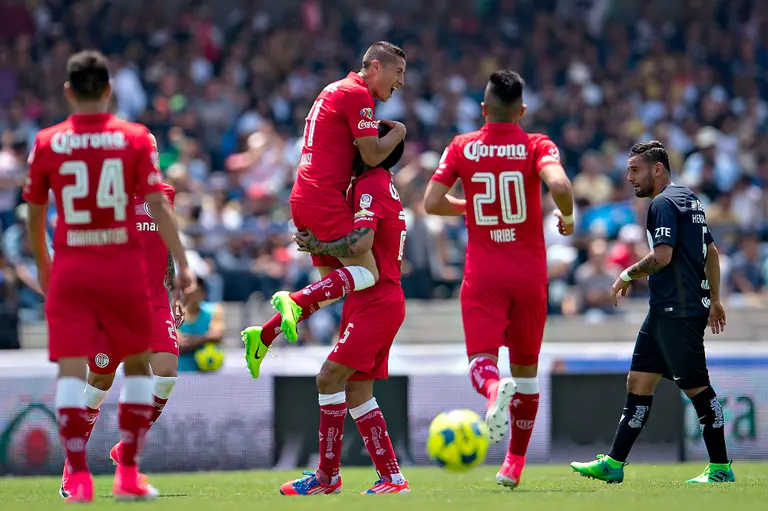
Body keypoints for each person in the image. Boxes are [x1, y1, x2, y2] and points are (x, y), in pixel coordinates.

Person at [22, 50, 194, 503]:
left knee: (83, 374)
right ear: (110, 91)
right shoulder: (129, 140)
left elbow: (34, 214)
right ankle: (103, 472)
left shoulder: (48, 142)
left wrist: (44, 268)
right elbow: (154, 205)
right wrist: (186, 266)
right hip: (115, 278)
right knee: (106, 379)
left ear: (67, 91)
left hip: (85, 275)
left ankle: (99, 472)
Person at [423, 70, 575, 488]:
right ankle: (513, 465)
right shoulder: (535, 144)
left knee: (481, 362)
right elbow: (559, 182)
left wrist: (469, 206)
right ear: (522, 110)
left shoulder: (463, 146)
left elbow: (432, 203)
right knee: (526, 376)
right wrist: (567, 213)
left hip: (484, 273)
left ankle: (492, 391)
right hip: (529, 276)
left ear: (483, 109)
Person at [571, 141, 734, 484]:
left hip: (679, 310)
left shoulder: (661, 203)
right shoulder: (689, 198)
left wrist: (626, 274)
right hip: (665, 310)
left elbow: (662, 256)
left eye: (635, 170)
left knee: (697, 389)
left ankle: (721, 468)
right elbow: (712, 252)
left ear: (657, 169)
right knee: (639, 381)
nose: (629, 178)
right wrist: (716, 299)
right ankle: (614, 463)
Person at [241, 42, 407, 376]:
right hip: (323, 197)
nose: (401, 81)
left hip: (305, 195)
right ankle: (292, 301)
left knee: (330, 288)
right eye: (398, 72)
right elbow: (373, 155)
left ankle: (264, 334)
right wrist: (400, 132)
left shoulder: (334, 90)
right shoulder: (356, 94)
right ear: (375, 67)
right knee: (367, 273)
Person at [278, 123, 410, 495]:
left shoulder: (371, 184)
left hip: (376, 299)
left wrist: (318, 242)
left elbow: (361, 242)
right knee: (356, 391)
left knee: (328, 378)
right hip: (372, 298)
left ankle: (327, 476)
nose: (352, 146)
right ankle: (392, 477)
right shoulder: (377, 183)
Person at [59, 135, 183, 499]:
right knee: (99, 381)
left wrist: (173, 288)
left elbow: (166, 245)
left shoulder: (165, 193)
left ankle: (126, 452)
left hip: (154, 299)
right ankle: (72, 469)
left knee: (167, 374)